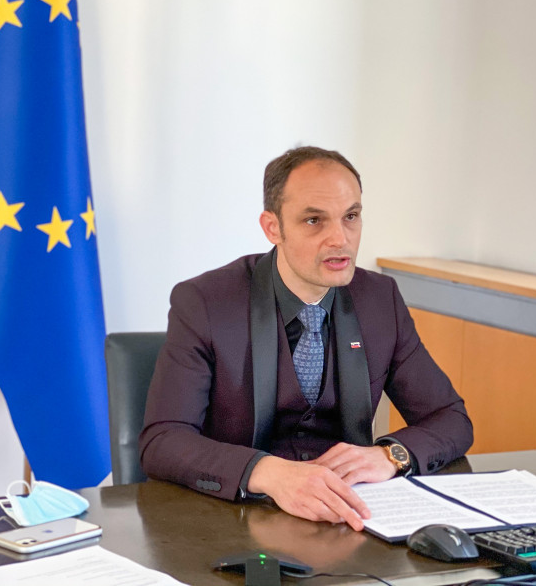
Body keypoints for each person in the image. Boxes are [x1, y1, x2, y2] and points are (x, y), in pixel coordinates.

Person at [138, 146, 473, 531]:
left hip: (349, 520)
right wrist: (267, 473)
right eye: (314, 220)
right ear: (272, 227)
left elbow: (451, 418)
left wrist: (390, 455)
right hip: (234, 521)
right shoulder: (205, 302)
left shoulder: (380, 300)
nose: (340, 239)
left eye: (351, 216)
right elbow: (163, 441)